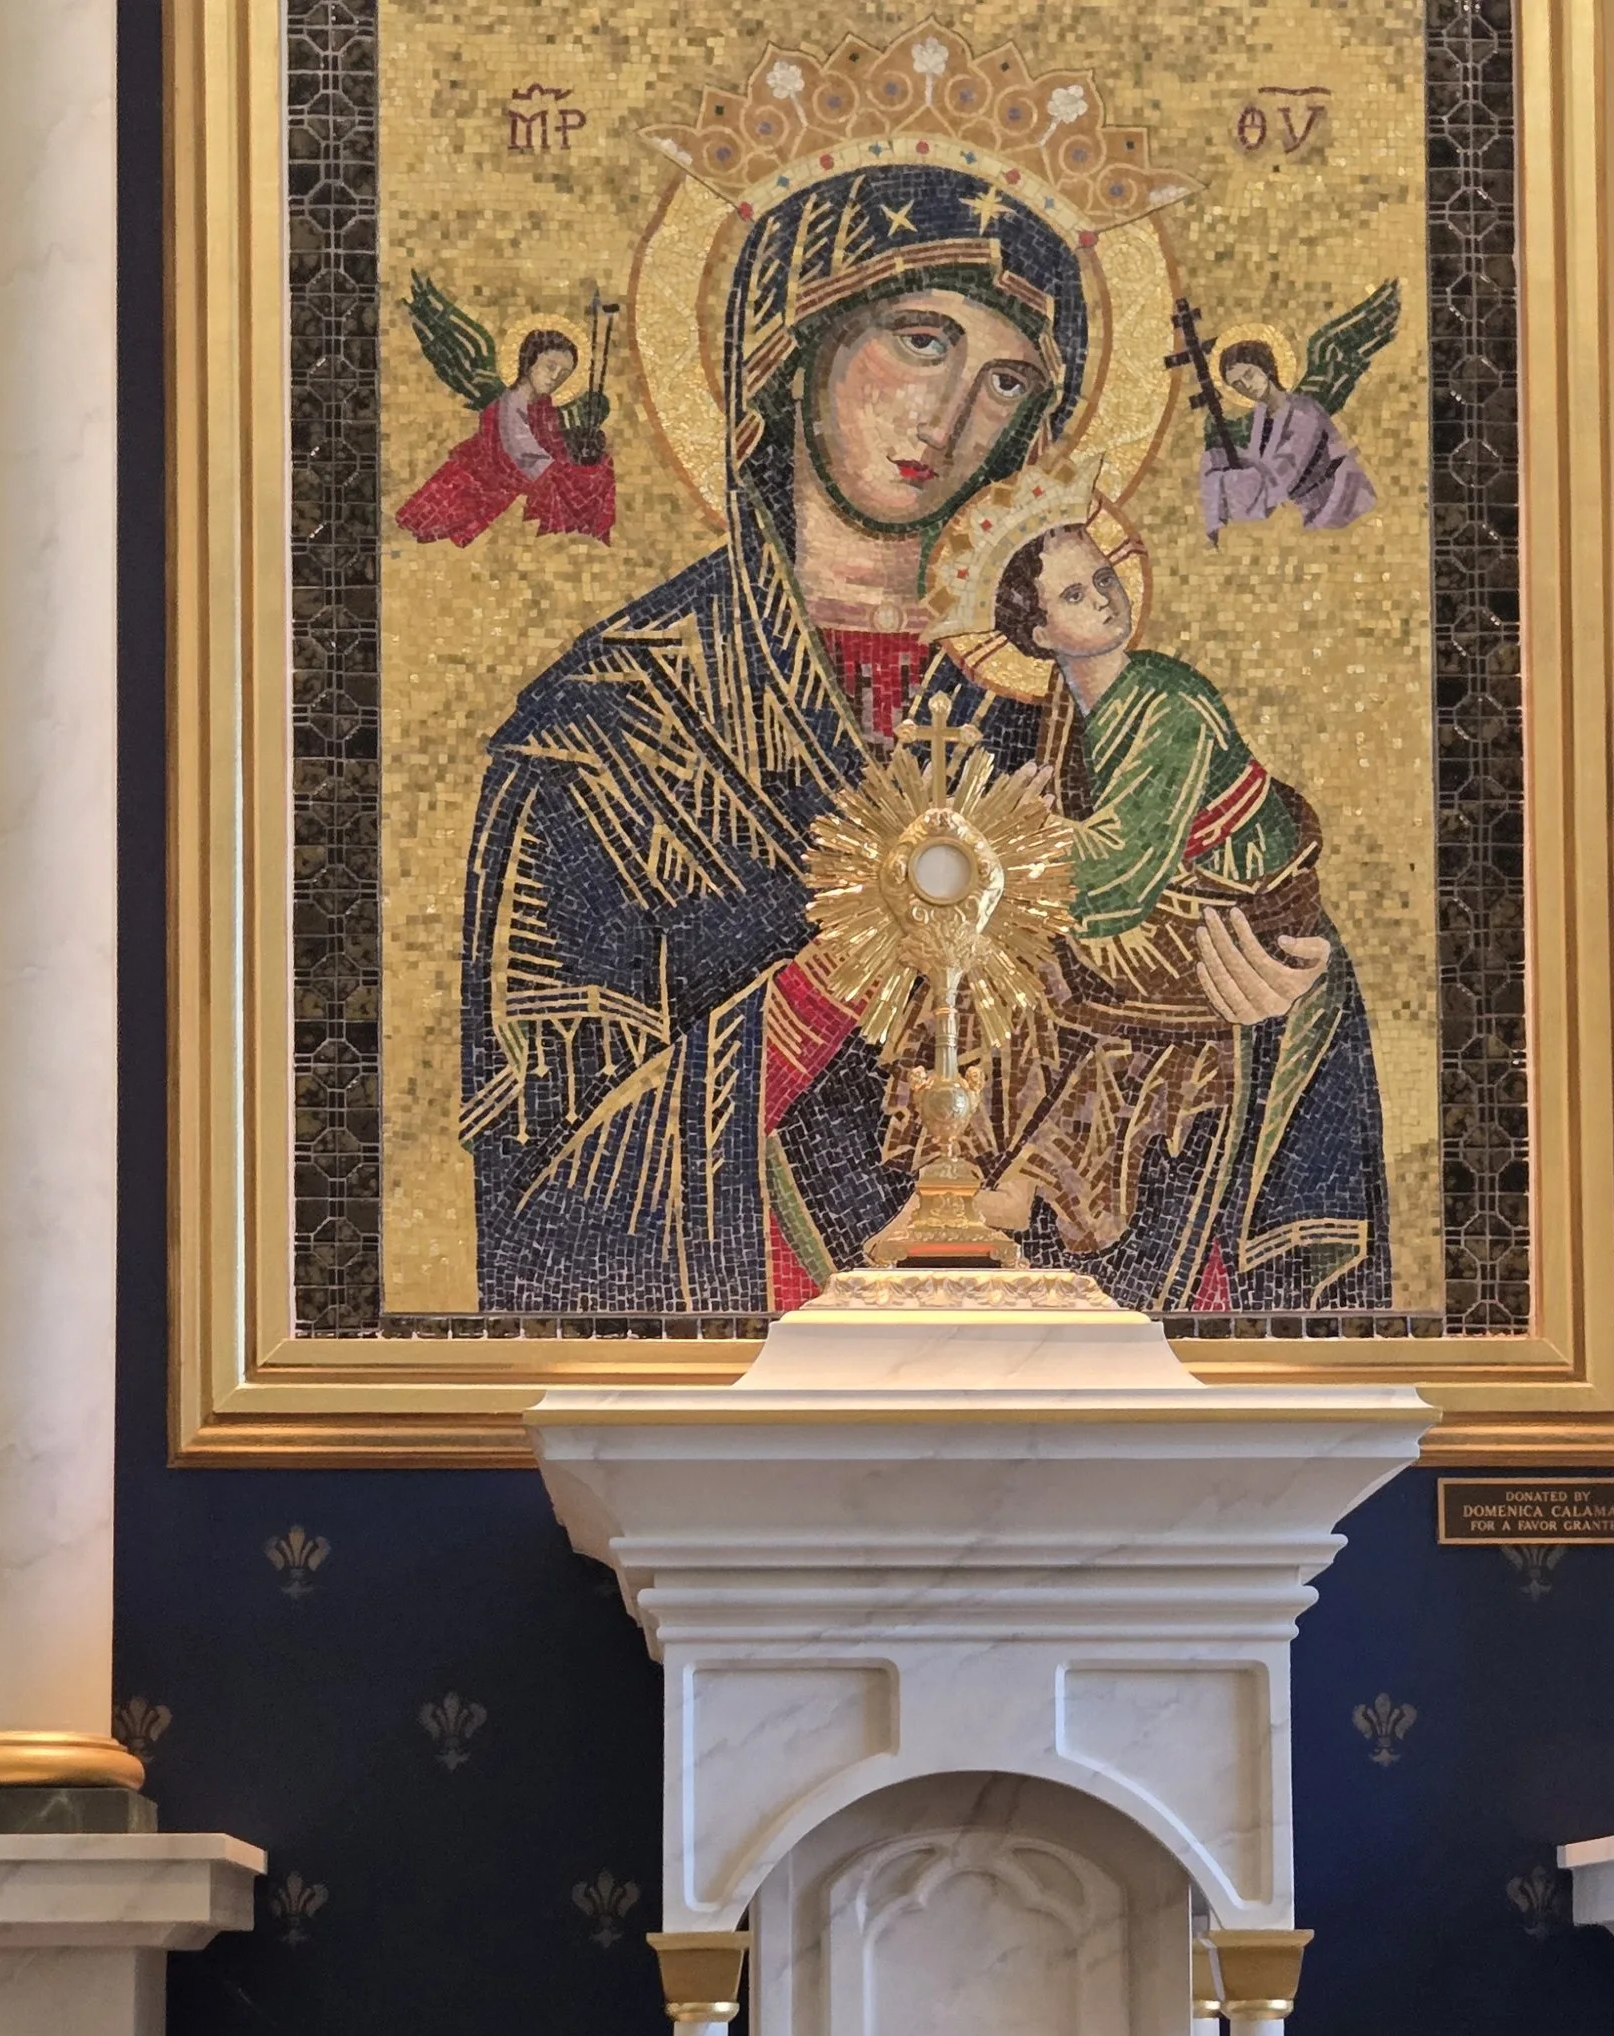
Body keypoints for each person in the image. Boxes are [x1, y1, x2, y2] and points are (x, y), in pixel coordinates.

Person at [460, 159, 1383, 1314]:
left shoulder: (1086, 688)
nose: (946, 419)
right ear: (786, 348)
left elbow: (1252, 931)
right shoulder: (607, 729)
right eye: (920, 340)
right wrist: (821, 989)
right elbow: (546, 1202)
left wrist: (1269, 1001)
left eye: (1003, 382)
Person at [966, 520, 1389, 1304]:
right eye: (1073, 593)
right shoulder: (1072, 703)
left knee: (1049, 968)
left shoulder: (1166, 701)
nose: (1102, 597)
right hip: (1175, 909)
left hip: (1239, 914)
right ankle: (998, 1165)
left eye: (1101, 577)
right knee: (1022, 969)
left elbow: (1124, 870)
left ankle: (1026, 1173)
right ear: (1038, 631)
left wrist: (1019, 845)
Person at [397, 329, 614, 549]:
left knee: (597, 469)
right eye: (550, 366)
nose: (555, 377)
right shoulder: (512, 404)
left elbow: (550, 443)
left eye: (564, 373)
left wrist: (579, 447)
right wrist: (566, 472)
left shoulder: (542, 405)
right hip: (469, 486)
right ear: (530, 362)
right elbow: (526, 455)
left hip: (508, 480)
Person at [1199, 335, 1377, 538]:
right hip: (1312, 513)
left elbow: (1282, 474)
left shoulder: (1303, 412)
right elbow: (1261, 461)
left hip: (1342, 508)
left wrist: (1227, 483)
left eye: (1249, 375)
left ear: (1265, 368)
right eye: (1237, 384)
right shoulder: (1261, 416)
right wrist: (1221, 457)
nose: (1246, 386)